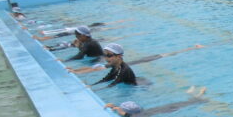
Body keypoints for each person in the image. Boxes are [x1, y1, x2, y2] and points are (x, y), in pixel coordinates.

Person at [70, 44, 205, 74]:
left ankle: (191, 48)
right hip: (136, 62)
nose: (106, 58)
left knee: (161, 56)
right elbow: (93, 69)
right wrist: (75, 70)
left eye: (109, 55)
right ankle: (192, 48)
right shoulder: (110, 65)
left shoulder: (117, 66)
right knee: (160, 56)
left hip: (138, 62)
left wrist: (77, 72)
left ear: (118, 56)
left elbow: (93, 70)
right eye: (105, 55)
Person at [105, 87, 207, 117]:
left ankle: (200, 94)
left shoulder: (137, 116)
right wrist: (114, 106)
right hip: (165, 108)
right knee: (187, 103)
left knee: (190, 103)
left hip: (166, 110)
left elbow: (125, 114)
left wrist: (115, 108)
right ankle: (197, 94)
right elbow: (124, 112)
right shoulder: (141, 112)